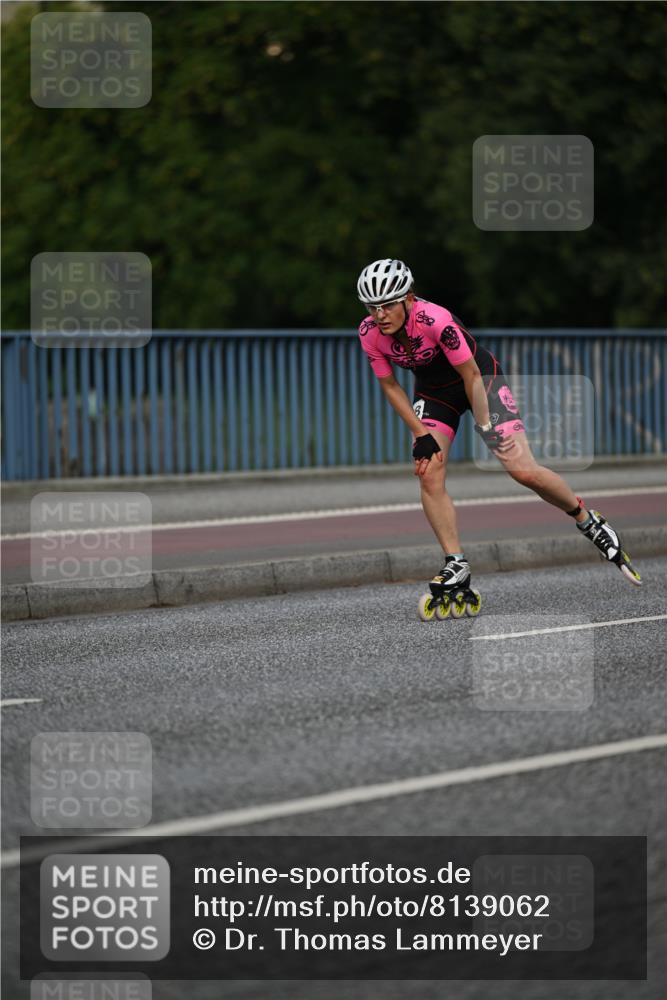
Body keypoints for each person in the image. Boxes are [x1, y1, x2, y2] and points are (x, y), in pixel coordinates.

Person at [356, 258, 641, 613]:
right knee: (428, 471)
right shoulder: (369, 332)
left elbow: (472, 376)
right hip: (435, 394)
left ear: (408, 299)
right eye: (372, 307)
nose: (379, 314)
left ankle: (587, 519)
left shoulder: (436, 321)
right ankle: (456, 563)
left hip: (481, 382)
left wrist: (486, 427)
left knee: (522, 471)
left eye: (387, 305)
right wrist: (420, 433)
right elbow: (390, 386)